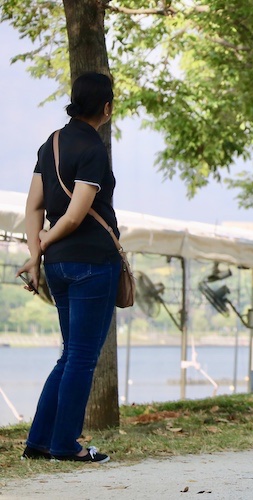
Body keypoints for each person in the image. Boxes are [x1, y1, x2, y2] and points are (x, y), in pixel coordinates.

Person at [16, 72, 118, 463]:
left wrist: (38, 252)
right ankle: (65, 445)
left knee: (69, 354)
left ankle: (39, 442)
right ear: (106, 107)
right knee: (81, 357)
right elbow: (75, 216)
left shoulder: (51, 143)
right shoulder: (94, 148)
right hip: (92, 263)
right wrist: (41, 246)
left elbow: (34, 207)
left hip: (58, 267)